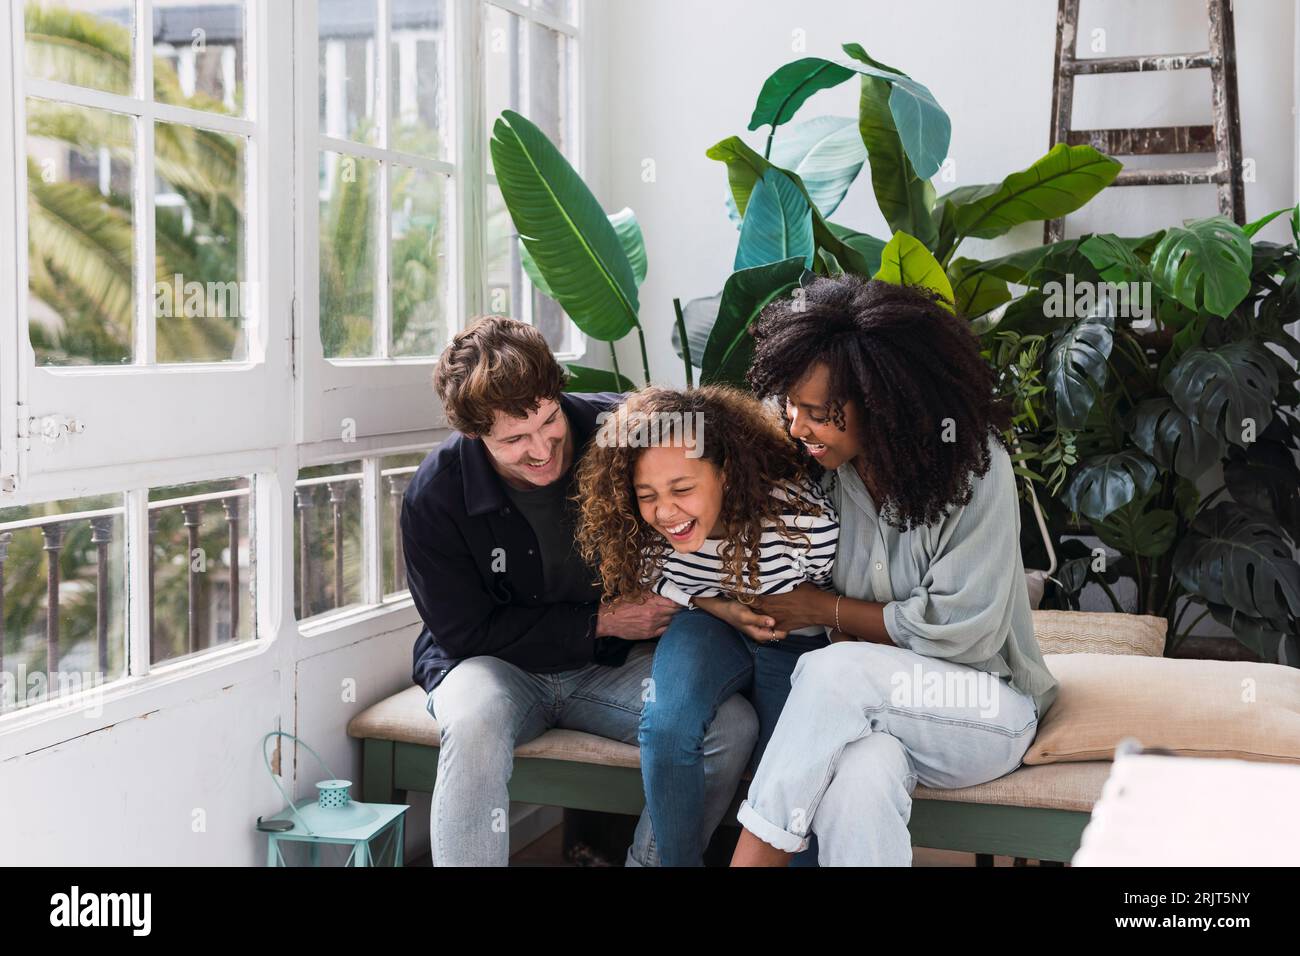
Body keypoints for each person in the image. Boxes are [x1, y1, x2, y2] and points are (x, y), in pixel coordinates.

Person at [401, 316, 758, 866]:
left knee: (730, 725)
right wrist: (603, 621)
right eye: (514, 439)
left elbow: (719, 451)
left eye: (548, 421)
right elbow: (464, 631)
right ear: (474, 434)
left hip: (607, 667)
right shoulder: (434, 495)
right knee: (471, 723)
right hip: (491, 666)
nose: (541, 449)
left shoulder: (621, 427)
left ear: (557, 393)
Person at [729, 275, 1061, 867]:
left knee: (834, 670)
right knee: (859, 777)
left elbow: (964, 631)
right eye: (792, 407)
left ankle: (751, 861)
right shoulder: (823, 468)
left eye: (817, 412)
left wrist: (826, 611)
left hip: (987, 712)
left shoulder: (976, 471)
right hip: (888, 715)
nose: (799, 426)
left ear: (883, 403)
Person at [574, 385, 837, 866]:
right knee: (666, 724)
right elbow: (662, 579)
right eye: (647, 494)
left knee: (792, 770)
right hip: (708, 626)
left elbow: (832, 602)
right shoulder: (644, 529)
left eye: (682, 489)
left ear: (726, 474)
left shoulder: (803, 522)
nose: (666, 512)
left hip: (794, 642)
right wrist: (719, 606)